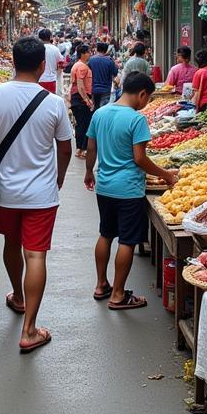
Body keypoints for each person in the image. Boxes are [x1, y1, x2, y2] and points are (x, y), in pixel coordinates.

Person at [0, 37, 73, 354]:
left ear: (13, 62)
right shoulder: (53, 103)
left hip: (6, 192)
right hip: (41, 195)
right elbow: (66, 147)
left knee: (10, 244)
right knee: (36, 256)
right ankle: (29, 330)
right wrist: (58, 177)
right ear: (43, 66)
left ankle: (17, 294)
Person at [84, 72, 177, 309]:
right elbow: (139, 159)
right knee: (127, 240)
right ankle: (117, 295)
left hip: (104, 186)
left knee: (106, 233)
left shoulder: (100, 113)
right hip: (128, 189)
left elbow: (91, 149)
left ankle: (101, 284)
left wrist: (89, 173)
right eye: (148, 98)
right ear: (142, 94)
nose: (147, 103)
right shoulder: (136, 120)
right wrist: (166, 175)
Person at [68, 43, 93, 158]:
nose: (90, 54)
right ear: (83, 54)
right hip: (80, 99)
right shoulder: (82, 67)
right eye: (88, 52)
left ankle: (80, 149)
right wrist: (87, 100)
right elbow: (80, 85)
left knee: (80, 125)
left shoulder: (76, 65)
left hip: (76, 98)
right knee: (85, 124)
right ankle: (82, 149)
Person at [87, 42, 119, 110]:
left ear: (97, 49)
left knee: (94, 109)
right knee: (103, 110)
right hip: (106, 89)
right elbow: (115, 73)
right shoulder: (109, 61)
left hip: (93, 89)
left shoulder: (91, 60)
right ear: (106, 50)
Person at [37, 28, 64, 95]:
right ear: (50, 37)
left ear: (39, 38)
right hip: (51, 80)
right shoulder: (55, 49)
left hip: (38, 80)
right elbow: (61, 64)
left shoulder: (36, 48)